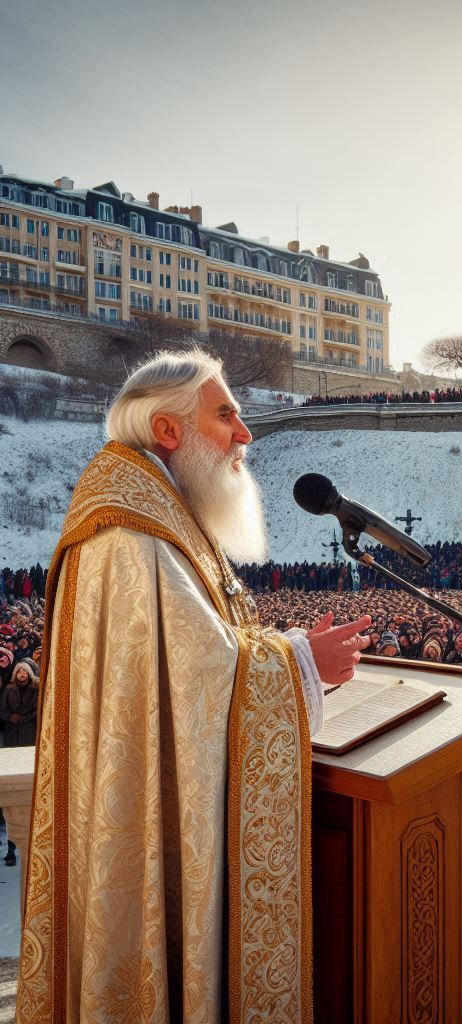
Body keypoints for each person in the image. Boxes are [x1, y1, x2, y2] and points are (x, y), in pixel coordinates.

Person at [17, 351, 371, 1020]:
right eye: (226, 415)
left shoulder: (157, 510)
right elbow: (194, 673)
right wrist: (300, 665)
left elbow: (197, 658)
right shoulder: (131, 532)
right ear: (168, 430)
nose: (245, 435)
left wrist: (292, 654)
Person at [0, 659, 39, 864]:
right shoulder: (9, 688)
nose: (22, 674)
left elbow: (37, 709)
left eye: (24, 672)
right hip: (11, 737)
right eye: (19, 672)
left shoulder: (35, 688)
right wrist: (10, 718)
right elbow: (2, 709)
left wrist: (21, 719)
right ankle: (11, 849)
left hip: (27, 734)